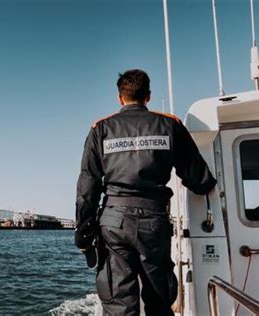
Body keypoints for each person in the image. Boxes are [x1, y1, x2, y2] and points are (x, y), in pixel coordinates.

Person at [74, 69, 216, 315]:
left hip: (114, 222)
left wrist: (83, 229)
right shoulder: (170, 125)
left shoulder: (101, 129)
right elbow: (198, 179)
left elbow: (88, 185)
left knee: (119, 305)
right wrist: (207, 186)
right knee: (159, 301)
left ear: (120, 98)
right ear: (148, 96)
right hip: (154, 222)